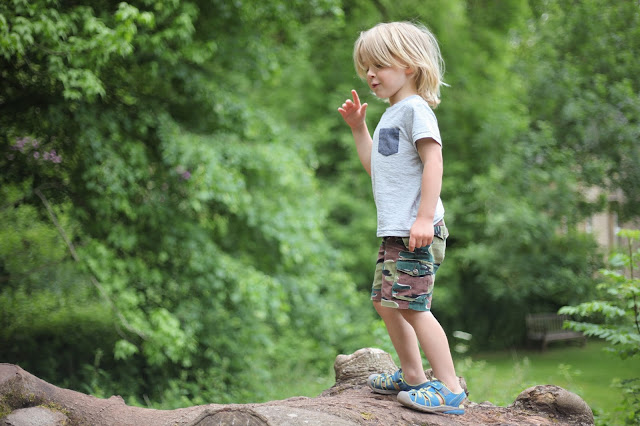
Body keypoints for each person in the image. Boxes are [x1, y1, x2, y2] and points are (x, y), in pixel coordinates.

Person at [337, 21, 466, 415]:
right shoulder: (392, 114)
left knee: (412, 305)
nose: (371, 75)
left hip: (417, 231)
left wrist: (425, 218)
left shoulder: (415, 111)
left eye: (379, 65)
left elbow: (434, 161)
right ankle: (412, 376)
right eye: (366, 68)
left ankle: (449, 388)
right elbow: (378, 170)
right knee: (384, 302)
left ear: (409, 65)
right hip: (396, 231)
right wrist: (359, 129)